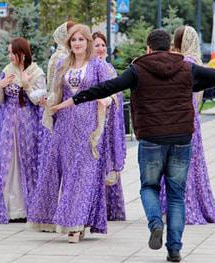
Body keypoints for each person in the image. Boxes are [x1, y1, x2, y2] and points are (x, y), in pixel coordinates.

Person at [51, 29, 215, 262]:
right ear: (170, 47)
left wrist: (75, 99)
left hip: (151, 138)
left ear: (148, 48)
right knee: (176, 195)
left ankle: (154, 224)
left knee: (149, 187)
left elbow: (108, 87)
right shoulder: (185, 67)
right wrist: (186, 85)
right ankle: (174, 249)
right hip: (181, 138)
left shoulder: (138, 69)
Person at [27, 24, 125, 243]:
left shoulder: (98, 66)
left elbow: (112, 92)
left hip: (88, 128)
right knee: (66, 173)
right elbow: (56, 93)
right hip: (64, 127)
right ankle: (71, 221)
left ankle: (75, 225)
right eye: (74, 40)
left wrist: (105, 100)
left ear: (87, 42)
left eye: (81, 39)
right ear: (69, 44)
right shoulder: (63, 64)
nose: (77, 43)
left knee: (82, 176)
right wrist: (48, 102)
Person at [0, 37, 46, 224]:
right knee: (6, 162)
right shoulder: (7, 71)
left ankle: (25, 208)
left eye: (11, 52)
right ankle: (5, 207)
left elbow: (39, 101)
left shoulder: (36, 72)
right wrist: (0, 86)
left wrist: (26, 83)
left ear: (21, 53)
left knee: (26, 162)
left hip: (27, 125)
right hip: (9, 124)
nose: (9, 56)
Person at [160, 25, 215, 225]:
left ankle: (181, 205)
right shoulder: (195, 61)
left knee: (177, 162)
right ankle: (191, 202)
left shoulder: (184, 62)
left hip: (179, 117)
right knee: (192, 160)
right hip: (192, 116)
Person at [92, 31, 127, 221]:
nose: (101, 48)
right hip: (95, 123)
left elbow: (117, 93)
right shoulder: (90, 68)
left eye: (103, 45)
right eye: (97, 45)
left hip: (110, 121)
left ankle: (111, 208)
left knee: (109, 161)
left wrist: (111, 98)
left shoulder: (110, 68)